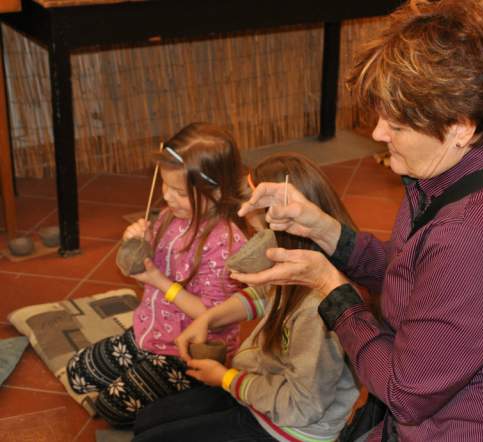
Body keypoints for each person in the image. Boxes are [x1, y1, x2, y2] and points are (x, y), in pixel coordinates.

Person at [232, 1, 483, 441]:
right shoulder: (467, 164)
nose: (378, 133)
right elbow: (417, 273)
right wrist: (321, 228)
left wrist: (331, 289)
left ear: (460, 126)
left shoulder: (474, 233)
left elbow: (405, 392)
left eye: (397, 125)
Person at [131, 152, 361, 442]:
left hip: (288, 429)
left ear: (287, 230)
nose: (251, 240)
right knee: (147, 421)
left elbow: (303, 407)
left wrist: (226, 379)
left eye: (257, 231)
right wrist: (208, 319)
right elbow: (264, 294)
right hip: (258, 390)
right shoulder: (300, 261)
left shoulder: (315, 312)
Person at [66, 123, 248, 427]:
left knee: (111, 406)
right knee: (77, 372)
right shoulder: (169, 216)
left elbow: (213, 316)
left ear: (217, 191)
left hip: (188, 353)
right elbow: (143, 267)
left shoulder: (226, 244)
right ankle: (151, 378)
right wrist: (135, 244)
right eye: (165, 185)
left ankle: (202, 394)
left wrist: (160, 283)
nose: (169, 197)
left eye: (180, 192)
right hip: (149, 335)